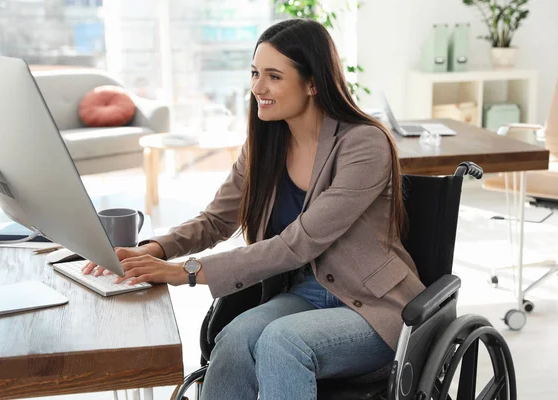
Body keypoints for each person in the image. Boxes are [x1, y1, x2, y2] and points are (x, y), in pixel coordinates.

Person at [83, 18, 425, 400]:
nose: (257, 88)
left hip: (374, 307)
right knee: (234, 338)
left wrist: (187, 272)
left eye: (273, 76)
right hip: (306, 294)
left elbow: (299, 243)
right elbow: (216, 220)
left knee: (282, 342)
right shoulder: (266, 144)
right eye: (254, 73)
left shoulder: (363, 144)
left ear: (313, 83)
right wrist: (155, 251)